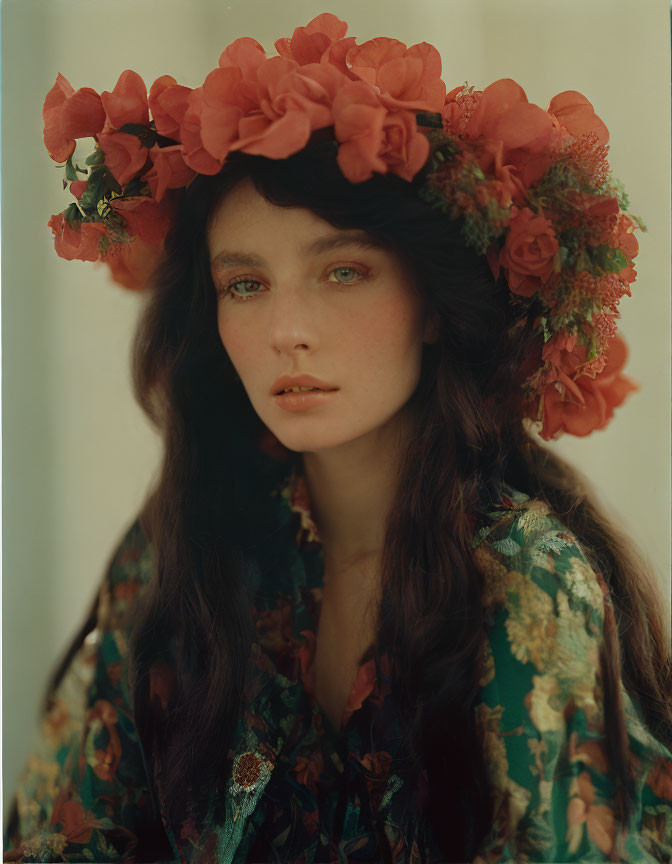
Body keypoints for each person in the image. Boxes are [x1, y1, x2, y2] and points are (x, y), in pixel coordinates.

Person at [5, 11, 672, 864]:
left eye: (343, 272)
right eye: (245, 283)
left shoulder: (524, 582)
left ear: (432, 305)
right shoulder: (191, 539)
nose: (287, 329)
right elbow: (67, 834)